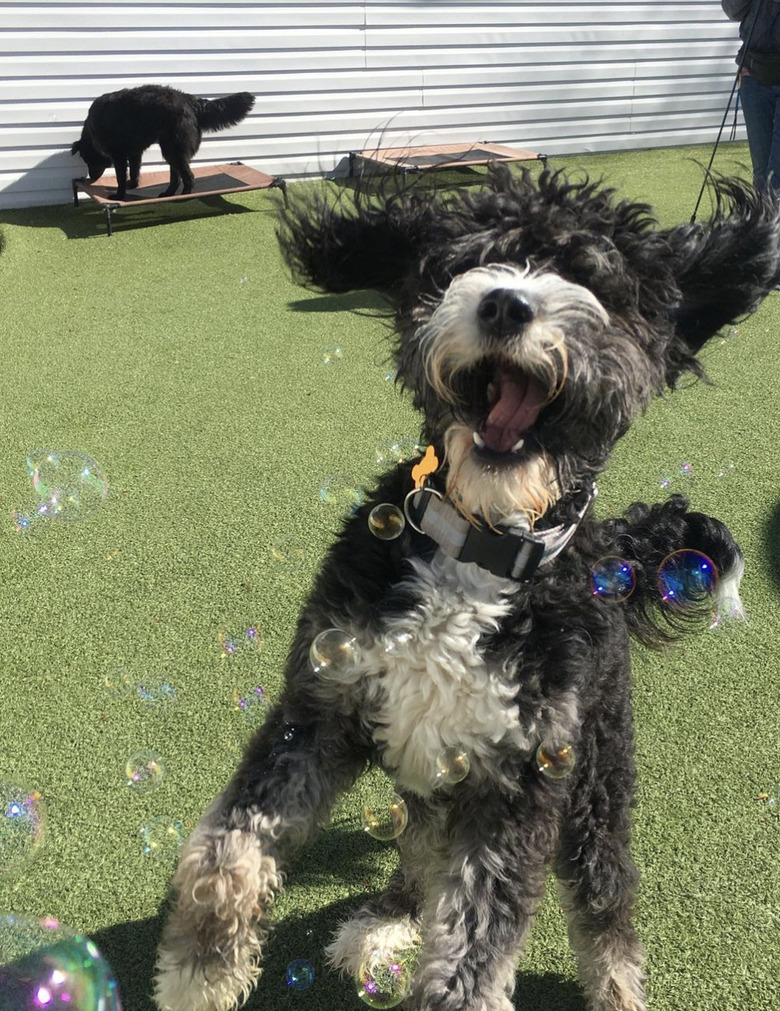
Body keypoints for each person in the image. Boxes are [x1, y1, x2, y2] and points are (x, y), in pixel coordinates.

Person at [722, 0, 780, 190]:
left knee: (776, 175)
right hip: (754, 74)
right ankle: (763, 218)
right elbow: (732, 10)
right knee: (762, 173)